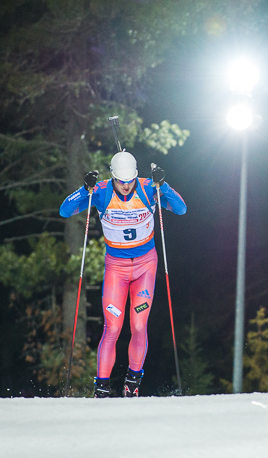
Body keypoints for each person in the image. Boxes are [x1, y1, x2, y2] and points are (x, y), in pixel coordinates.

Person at [60, 151, 186, 397]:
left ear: (136, 176)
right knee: (113, 328)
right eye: (121, 181)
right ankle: (102, 388)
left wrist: (165, 186)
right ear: (113, 176)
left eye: (129, 181)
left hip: (145, 267)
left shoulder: (149, 188)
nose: (126, 186)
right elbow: (66, 211)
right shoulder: (102, 191)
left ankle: (132, 384)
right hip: (116, 269)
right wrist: (84, 190)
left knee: (139, 325)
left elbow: (180, 209)